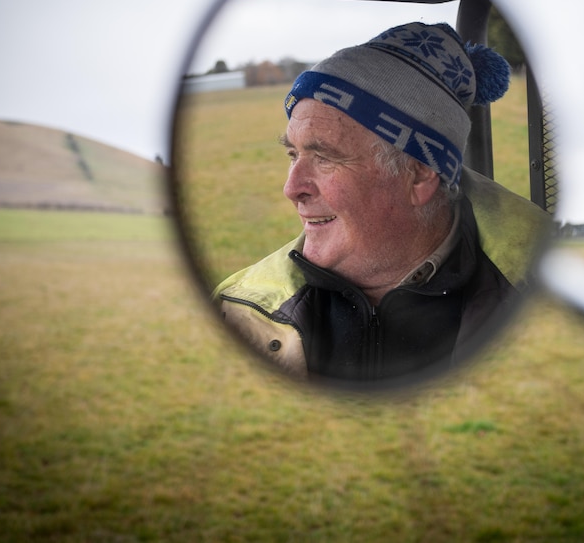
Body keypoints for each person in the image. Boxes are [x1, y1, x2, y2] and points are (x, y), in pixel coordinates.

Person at [213, 21, 551, 387]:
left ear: (419, 175)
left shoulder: (548, 296)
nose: (292, 188)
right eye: (293, 153)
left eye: (325, 157)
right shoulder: (239, 309)